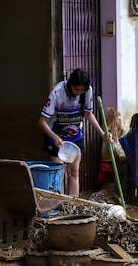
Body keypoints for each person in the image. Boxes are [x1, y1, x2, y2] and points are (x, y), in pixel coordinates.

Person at [38, 68, 111, 197]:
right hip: (56, 137)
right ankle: (59, 203)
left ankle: (73, 203)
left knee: (74, 171)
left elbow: (88, 114)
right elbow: (42, 121)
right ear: (70, 84)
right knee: (59, 173)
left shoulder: (87, 91)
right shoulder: (57, 92)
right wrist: (54, 137)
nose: (79, 93)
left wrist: (102, 134)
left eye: (82, 90)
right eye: (76, 89)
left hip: (75, 136)